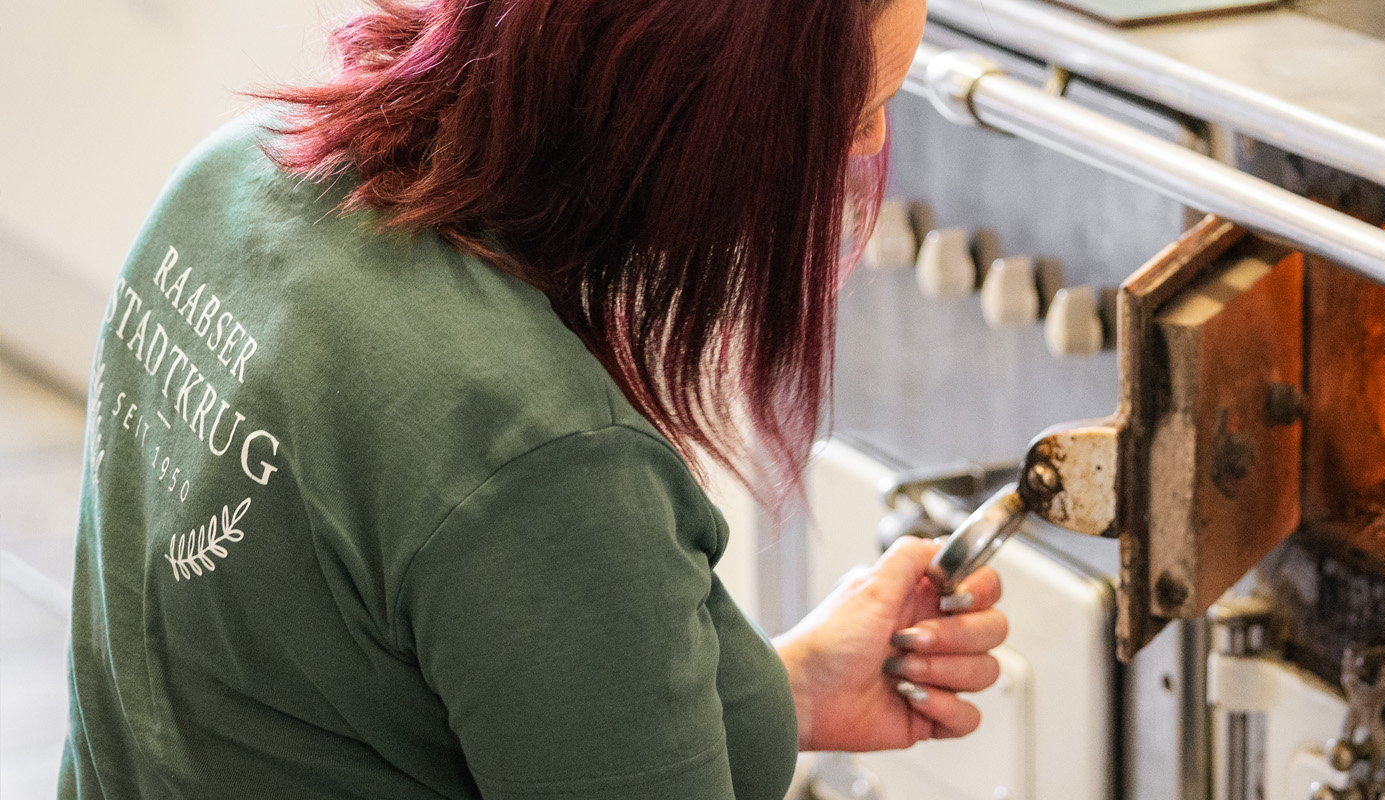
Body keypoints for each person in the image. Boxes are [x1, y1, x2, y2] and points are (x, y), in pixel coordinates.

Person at [61, 0, 1009, 797]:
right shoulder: (541, 456)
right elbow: (527, 544)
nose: (871, 144)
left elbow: (347, 679)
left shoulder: (239, 173)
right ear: (708, 107)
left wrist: (791, 687)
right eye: (852, 109)